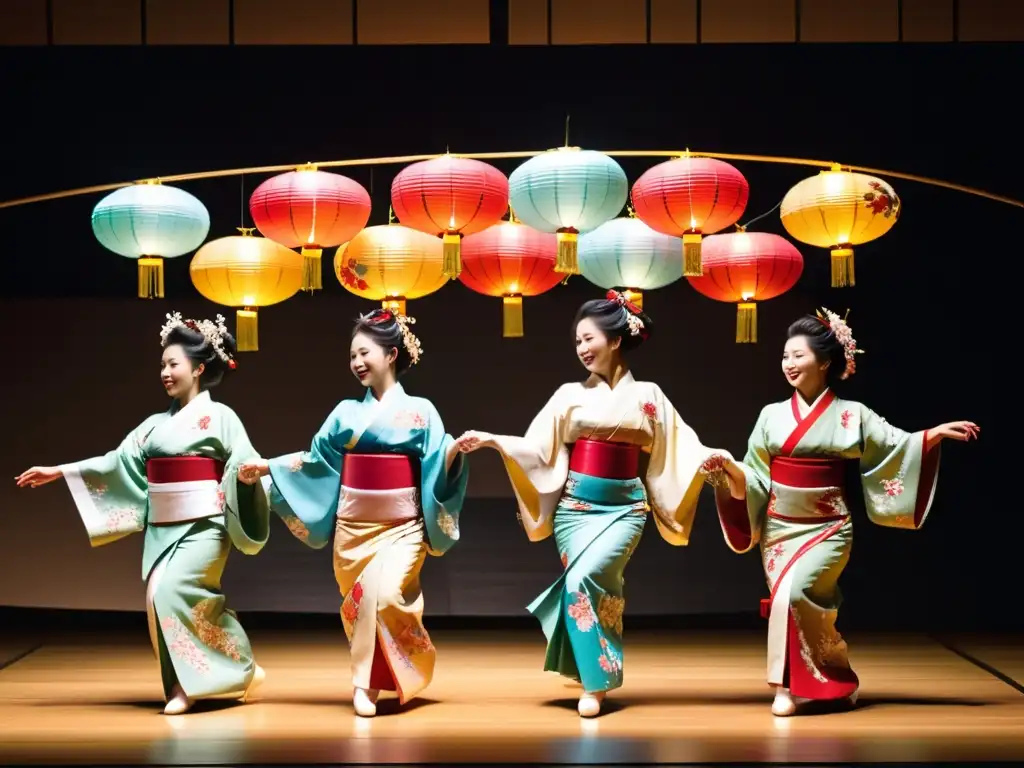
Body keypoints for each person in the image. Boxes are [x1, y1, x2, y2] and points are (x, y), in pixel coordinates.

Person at [454, 290, 745, 718]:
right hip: (576, 508)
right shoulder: (569, 394)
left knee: (588, 579)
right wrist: (496, 441)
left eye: (589, 338)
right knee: (581, 586)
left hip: (626, 507)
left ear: (615, 339)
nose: (583, 349)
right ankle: (594, 677)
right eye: (577, 342)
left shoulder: (649, 395)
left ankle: (595, 683)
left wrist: (716, 463)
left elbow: (681, 446)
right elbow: (538, 448)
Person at [714, 308, 979, 717]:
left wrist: (931, 436)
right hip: (780, 529)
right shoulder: (771, 415)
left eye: (798, 356)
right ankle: (808, 683)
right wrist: (732, 472)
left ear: (824, 361)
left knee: (795, 593)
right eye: (785, 356)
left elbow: (895, 444)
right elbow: (755, 473)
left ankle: (797, 684)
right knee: (787, 599)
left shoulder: (852, 414)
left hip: (828, 529)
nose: (789, 364)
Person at [15, 312, 271, 715]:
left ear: (199, 368)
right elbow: (114, 462)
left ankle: (189, 688)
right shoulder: (153, 426)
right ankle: (222, 670)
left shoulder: (221, 418)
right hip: (162, 528)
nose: (165, 372)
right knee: (156, 601)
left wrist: (250, 476)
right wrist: (61, 471)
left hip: (205, 524)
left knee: (171, 592)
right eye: (163, 365)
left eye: (174, 364)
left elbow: (244, 461)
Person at [238, 309, 468, 718]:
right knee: (362, 603)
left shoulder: (422, 411)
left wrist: (454, 452)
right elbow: (315, 462)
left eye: (364, 353)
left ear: (391, 354)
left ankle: (365, 682)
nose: (357, 362)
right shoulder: (345, 412)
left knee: (384, 596)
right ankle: (376, 680)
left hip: (402, 526)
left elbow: (436, 461)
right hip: (352, 529)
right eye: (352, 356)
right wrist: (270, 466)